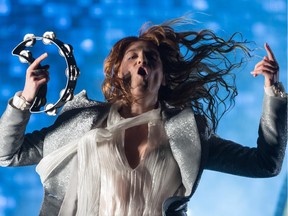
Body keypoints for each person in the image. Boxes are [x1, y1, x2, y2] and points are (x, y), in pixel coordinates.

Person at [0, 19, 287, 216]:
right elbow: (7, 154)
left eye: (151, 57)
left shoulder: (187, 134)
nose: (142, 60)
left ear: (163, 77)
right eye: (132, 56)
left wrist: (272, 89)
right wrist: (24, 99)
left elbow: (264, 165)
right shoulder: (82, 121)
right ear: (118, 72)